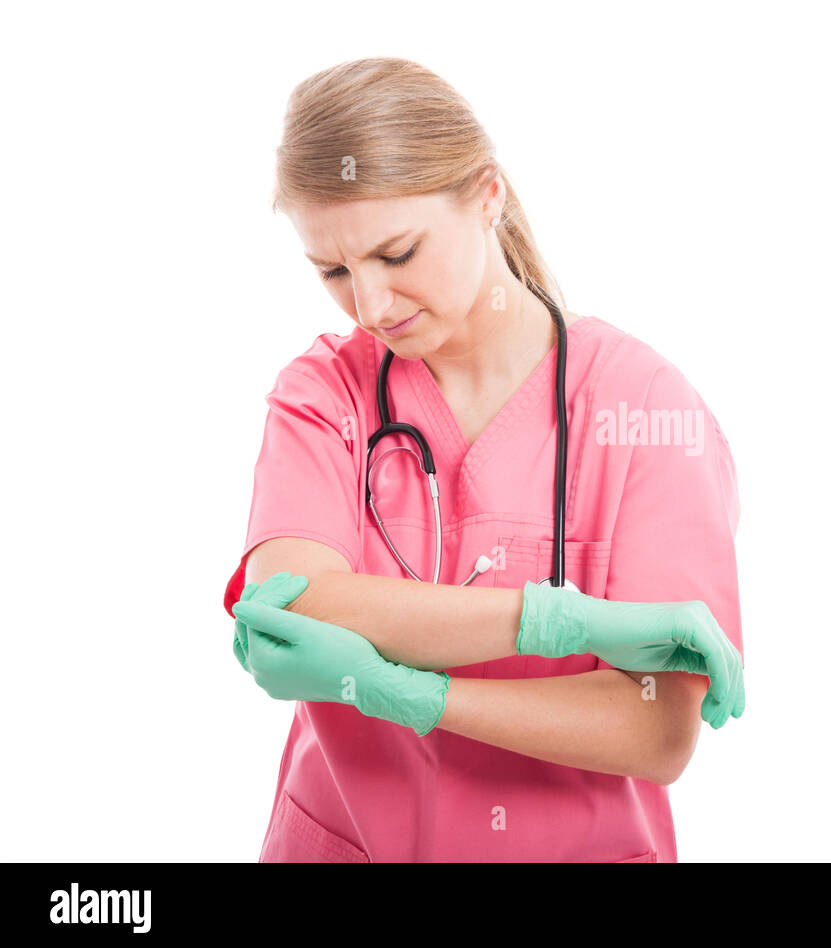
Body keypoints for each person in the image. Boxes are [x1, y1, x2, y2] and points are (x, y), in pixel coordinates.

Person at [223, 57, 744, 862]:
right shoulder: (324, 394)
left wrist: (420, 695)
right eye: (333, 270)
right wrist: (554, 622)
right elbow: (294, 606)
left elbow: (655, 728)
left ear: (487, 196)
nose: (370, 305)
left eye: (397, 253)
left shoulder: (646, 410)